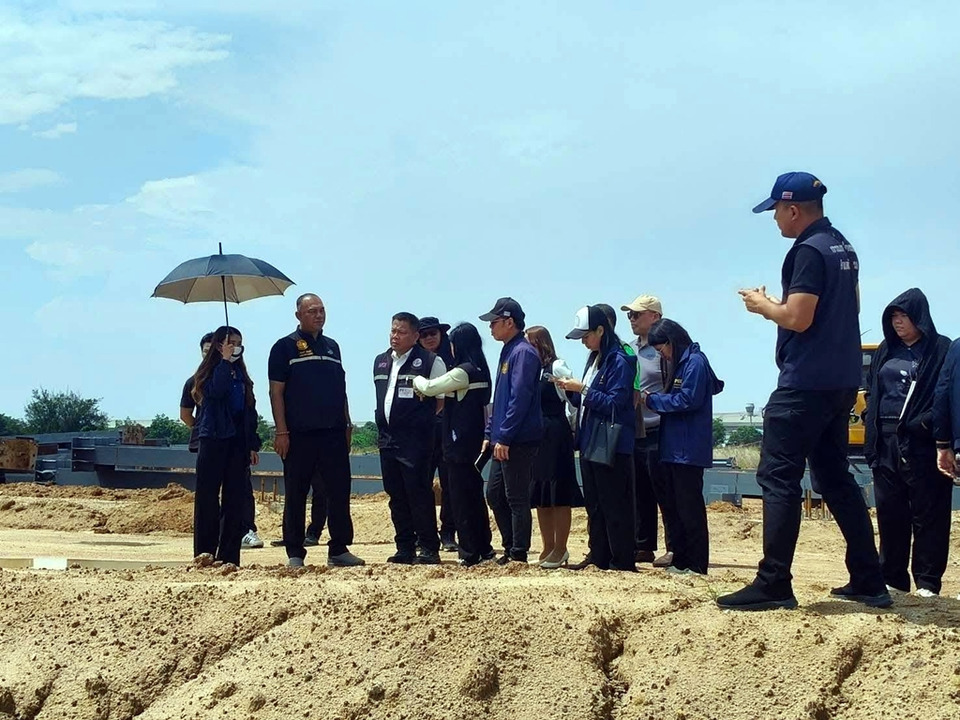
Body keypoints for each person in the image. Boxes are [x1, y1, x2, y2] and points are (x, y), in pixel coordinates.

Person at [718, 171, 890, 611]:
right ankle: (869, 579)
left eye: (776, 210)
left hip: (806, 381)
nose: (775, 218)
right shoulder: (841, 246)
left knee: (778, 477)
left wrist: (763, 306)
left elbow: (798, 318)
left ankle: (774, 583)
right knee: (834, 477)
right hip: (840, 378)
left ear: (793, 209)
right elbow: (846, 306)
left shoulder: (808, 251)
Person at [863, 289, 952, 597]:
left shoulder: (941, 349)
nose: (898, 322)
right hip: (885, 440)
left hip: (923, 442)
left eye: (904, 316)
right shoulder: (886, 349)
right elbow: (872, 389)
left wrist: (927, 425)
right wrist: (870, 418)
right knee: (890, 512)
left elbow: (947, 394)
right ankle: (892, 578)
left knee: (929, 514)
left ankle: (927, 582)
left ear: (920, 317)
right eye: (894, 317)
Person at [268, 293, 364, 568]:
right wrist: (281, 432)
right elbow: (276, 392)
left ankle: (339, 549)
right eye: (312, 311)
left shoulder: (333, 347)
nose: (319, 315)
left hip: (333, 433)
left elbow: (341, 389)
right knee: (296, 494)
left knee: (338, 491)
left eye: (322, 310)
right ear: (298, 315)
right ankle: (295, 552)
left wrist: (347, 424)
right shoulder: (284, 347)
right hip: (299, 435)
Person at [556, 305, 637, 572]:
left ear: (601, 330)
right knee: (595, 504)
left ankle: (621, 560)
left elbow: (615, 403)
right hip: (591, 439)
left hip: (612, 443)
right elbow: (587, 400)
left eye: (586, 335)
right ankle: (599, 555)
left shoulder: (620, 360)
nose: (583, 341)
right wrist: (571, 390)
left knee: (615, 503)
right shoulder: (595, 358)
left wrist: (583, 389)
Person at [642, 319, 724, 576]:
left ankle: (697, 564)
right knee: (677, 506)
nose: (662, 355)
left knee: (690, 508)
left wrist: (652, 400)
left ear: (671, 341)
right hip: (675, 448)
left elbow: (687, 400)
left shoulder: (695, 363)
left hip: (688, 449)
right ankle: (682, 560)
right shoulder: (682, 363)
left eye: (662, 349)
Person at [413, 322, 496, 566]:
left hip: (458, 442)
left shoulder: (463, 371)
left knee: (461, 499)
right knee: (474, 496)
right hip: (474, 439)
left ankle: (469, 552)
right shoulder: (481, 369)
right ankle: (484, 547)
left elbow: (430, 387)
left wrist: (415, 379)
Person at [374, 312, 447, 564]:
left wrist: (416, 422)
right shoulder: (381, 361)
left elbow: (440, 402)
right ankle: (404, 547)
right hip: (387, 440)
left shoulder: (430, 361)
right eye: (393, 331)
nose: (395, 336)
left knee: (418, 493)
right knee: (396, 495)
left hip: (416, 441)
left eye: (402, 332)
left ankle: (428, 547)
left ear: (415, 336)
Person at [182, 332, 263, 550]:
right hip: (213, 439)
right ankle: (205, 551)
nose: (236, 348)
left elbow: (250, 410)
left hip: (237, 442)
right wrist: (224, 362)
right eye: (231, 343)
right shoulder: (205, 375)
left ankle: (229, 553)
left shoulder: (241, 376)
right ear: (219, 346)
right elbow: (215, 392)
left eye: (239, 344)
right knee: (207, 497)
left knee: (235, 498)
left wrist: (252, 444)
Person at [480, 297, 543, 565]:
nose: (490, 327)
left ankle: (518, 553)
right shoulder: (508, 350)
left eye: (494, 322)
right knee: (494, 494)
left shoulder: (523, 353)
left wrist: (504, 435)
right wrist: (490, 433)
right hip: (502, 437)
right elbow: (501, 398)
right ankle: (509, 547)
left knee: (516, 496)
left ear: (509, 322)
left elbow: (520, 399)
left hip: (517, 438)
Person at [621, 295, 677, 568]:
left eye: (636, 314)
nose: (631, 319)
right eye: (629, 315)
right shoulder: (629, 349)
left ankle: (674, 547)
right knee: (639, 489)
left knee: (665, 490)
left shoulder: (666, 349)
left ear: (655, 316)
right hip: (636, 428)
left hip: (660, 427)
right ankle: (643, 545)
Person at [525, 325, 583, 569]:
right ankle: (547, 546)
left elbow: (574, 400)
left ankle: (561, 547)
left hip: (555, 432)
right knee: (541, 493)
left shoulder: (557, 366)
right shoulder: (531, 370)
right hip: (537, 433)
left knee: (558, 492)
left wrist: (574, 428)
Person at [418, 316, 458, 552]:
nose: (429, 338)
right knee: (420, 483)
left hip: (447, 428)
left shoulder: (453, 358)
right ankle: (424, 532)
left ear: (441, 334)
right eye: (424, 334)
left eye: (433, 333)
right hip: (421, 430)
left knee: (449, 483)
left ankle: (448, 533)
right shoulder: (414, 361)